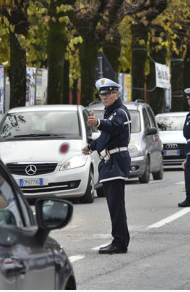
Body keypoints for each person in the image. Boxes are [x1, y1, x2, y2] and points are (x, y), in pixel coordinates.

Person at [81, 78, 131, 255]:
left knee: (116, 205)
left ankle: (120, 242)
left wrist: (98, 123)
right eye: (102, 94)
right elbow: (105, 137)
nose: (105, 97)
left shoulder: (120, 112)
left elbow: (114, 127)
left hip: (116, 161)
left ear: (117, 94)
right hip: (110, 161)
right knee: (114, 205)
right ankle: (120, 239)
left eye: (108, 93)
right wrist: (92, 147)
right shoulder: (110, 113)